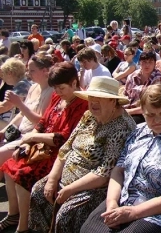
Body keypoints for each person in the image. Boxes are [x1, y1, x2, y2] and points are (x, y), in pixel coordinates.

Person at [81, 84, 161, 233]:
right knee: (89, 229)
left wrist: (134, 213)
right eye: (150, 115)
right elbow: (118, 170)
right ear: (143, 112)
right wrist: (112, 202)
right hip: (127, 199)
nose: (157, 119)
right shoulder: (139, 132)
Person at [29, 77, 136, 233]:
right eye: (92, 97)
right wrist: (52, 179)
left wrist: (69, 189)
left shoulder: (122, 127)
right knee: (38, 191)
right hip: (67, 179)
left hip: (94, 188)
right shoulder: (89, 116)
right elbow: (67, 148)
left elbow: (104, 173)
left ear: (113, 101)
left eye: (100, 98)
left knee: (67, 215)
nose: (94, 102)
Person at [0, 62, 88, 232]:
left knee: (22, 175)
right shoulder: (58, 97)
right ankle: (14, 214)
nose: (58, 92)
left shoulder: (82, 104)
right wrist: (26, 142)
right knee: (8, 166)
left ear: (74, 83)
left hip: (59, 153)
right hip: (42, 146)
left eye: (62, 88)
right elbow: (43, 122)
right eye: (55, 88)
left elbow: (65, 138)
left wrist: (32, 137)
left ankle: (23, 226)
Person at [0, 54, 54, 173]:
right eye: (28, 70)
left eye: (32, 71)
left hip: (31, 138)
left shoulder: (51, 92)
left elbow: (40, 122)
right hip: (19, 133)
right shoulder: (33, 87)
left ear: (45, 71)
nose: (28, 74)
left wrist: (19, 104)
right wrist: (5, 131)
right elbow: (21, 115)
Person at [123, 51, 161, 123]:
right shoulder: (132, 76)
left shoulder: (159, 79)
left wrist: (129, 112)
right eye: (144, 62)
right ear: (140, 62)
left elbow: (154, 105)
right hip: (128, 109)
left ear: (155, 63)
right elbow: (125, 96)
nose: (147, 65)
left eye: (150, 62)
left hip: (148, 113)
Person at [0, 58, 31, 129]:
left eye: (3, 74)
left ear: (9, 73)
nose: (2, 78)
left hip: (21, 125)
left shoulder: (23, 85)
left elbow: (5, 106)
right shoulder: (23, 83)